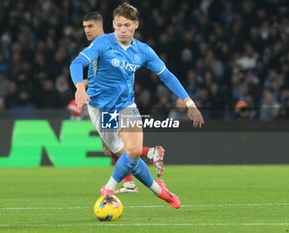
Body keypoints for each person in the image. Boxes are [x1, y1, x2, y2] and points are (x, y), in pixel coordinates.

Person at [70, 3, 204, 209]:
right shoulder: (102, 43)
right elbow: (76, 63)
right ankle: (160, 191)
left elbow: (166, 75)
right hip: (100, 108)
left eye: (127, 25)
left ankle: (108, 188)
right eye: (119, 25)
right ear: (113, 24)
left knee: (132, 151)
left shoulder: (143, 51)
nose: (122, 30)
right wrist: (80, 87)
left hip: (125, 105)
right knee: (124, 154)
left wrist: (189, 102)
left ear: (135, 26)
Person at [69, 11, 165, 194]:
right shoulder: (97, 46)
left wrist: (82, 86)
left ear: (100, 26)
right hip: (102, 101)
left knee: (120, 149)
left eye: (90, 27)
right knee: (111, 149)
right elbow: (97, 76)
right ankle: (133, 178)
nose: (86, 31)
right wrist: (84, 84)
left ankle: (149, 157)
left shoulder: (106, 43)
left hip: (112, 104)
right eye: (84, 27)